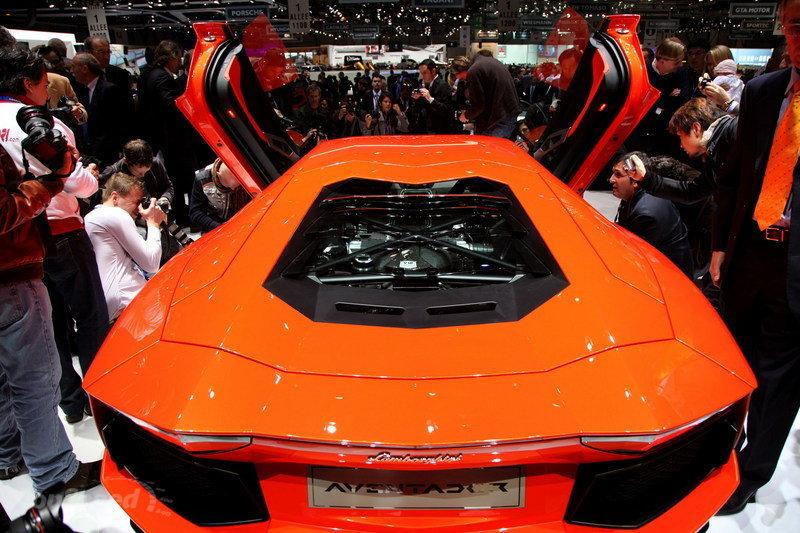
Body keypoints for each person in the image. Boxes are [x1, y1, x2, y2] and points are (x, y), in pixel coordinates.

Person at [712, 0, 800, 515]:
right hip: (748, 254)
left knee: (778, 380)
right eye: (793, 25)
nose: (799, 36)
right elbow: (735, 174)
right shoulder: (764, 92)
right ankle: (718, 454)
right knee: (733, 365)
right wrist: (720, 244)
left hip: (796, 268)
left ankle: (751, 473)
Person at [0, 66, 101, 497]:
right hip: (24, 256)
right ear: (27, 84)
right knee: (37, 372)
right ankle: (56, 468)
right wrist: (51, 183)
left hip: (26, 257)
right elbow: (78, 183)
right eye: (43, 83)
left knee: (14, 368)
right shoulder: (39, 124)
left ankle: (10, 455)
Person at [84, 172, 165, 322]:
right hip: (128, 302)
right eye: (136, 202)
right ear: (115, 197)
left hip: (109, 306)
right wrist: (153, 224)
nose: (139, 208)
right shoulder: (116, 214)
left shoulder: (91, 217)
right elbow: (151, 263)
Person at [609, 152, 694, 277]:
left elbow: (633, 259)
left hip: (672, 278)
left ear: (635, 181)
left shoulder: (646, 213)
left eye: (618, 174)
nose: (611, 179)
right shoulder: (634, 195)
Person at [71, 53, 131, 167]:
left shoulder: (109, 89)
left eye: (73, 66)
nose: (71, 71)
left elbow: (117, 124)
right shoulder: (82, 91)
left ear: (84, 69)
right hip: (90, 152)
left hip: (107, 153)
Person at [458, 50, 519, 138]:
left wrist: (466, 115)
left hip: (501, 118)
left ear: (462, 71)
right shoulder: (487, 63)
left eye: (462, 79)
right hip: (507, 113)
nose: (465, 82)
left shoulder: (474, 70)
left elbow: (479, 105)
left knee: (488, 144)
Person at [100, 139, 174, 211]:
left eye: (147, 171)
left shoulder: (156, 163)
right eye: (139, 172)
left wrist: (165, 198)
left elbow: (168, 186)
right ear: (126, 161)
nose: (143, 175)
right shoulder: (112, 172)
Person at [189, 158, 251, 234]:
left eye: (236, 187)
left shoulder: (246, 173)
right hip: (215, 225)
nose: (232, 189)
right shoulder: (202, 179)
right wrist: (217, 227)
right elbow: (195, 212)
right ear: (218, 175)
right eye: (228, 186)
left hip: (241, 222)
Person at [412, 58, 456, 134]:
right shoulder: (421, 83)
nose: (422, 76)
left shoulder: (443, 86)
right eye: (421, 73)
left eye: (425, 73)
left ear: (433, 71)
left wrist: (430, 99)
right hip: (424, 129)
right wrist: (416, 98)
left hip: (439, 130)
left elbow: (447, 111)